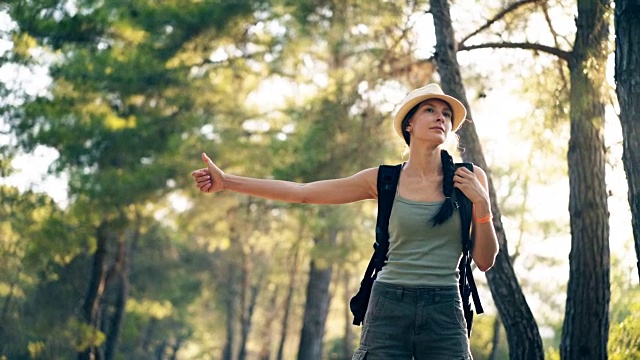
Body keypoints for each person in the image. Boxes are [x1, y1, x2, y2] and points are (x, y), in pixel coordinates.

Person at [191, 83, 499, 359]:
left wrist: (482, 204)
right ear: (409, 124)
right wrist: (227, 181)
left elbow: (484, 261)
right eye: (429, 110)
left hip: (445, 308)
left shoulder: (470, 178)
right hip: (388, 306)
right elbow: (304, 193)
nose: (440, 118)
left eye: (446, 114)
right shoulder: (384, 180)